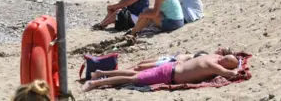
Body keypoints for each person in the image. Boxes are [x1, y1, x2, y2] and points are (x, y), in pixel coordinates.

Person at [82, 54, 240, 92]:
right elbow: (230, 75)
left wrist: (233, 61)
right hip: (168, 74)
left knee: (135, 72)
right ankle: (95, 83)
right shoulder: (213, 65)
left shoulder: (212, 56)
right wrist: (236, 69)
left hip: (171, 66)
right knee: (134, 79)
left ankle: (101, 72)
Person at [128, 47, 234, 72]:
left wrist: (180, 62)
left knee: (140, 67)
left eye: (222, 50)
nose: (219, 48)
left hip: (172, 62)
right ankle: (121, 71)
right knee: (141, 63)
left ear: (222, 55)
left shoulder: (210, 60)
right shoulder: (208, 55)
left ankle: (118, 74)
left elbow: (193, 64)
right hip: (171, 57)